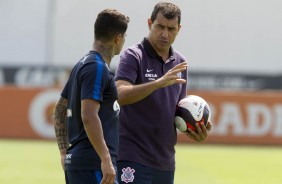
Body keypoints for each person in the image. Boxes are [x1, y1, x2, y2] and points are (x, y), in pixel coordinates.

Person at [115, 2, 211, 184]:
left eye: (171, 29)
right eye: (160, 27)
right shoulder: (133, 56)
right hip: (132, 157)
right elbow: (120, 94)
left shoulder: (180, 63)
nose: (165, 34)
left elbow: (178, 113)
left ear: (179, 29)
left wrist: (195, 129)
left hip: (165, 162)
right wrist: (157, 83)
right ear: (149, 23)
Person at [53, 9, 129, 184]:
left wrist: (65, 152)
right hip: (93, 165)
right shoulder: (96, 67)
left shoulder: (82, 64)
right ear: (118, 38)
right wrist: (105, 158)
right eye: (124, 37)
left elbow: (59, 109)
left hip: (83, 164)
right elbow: (88, 116)